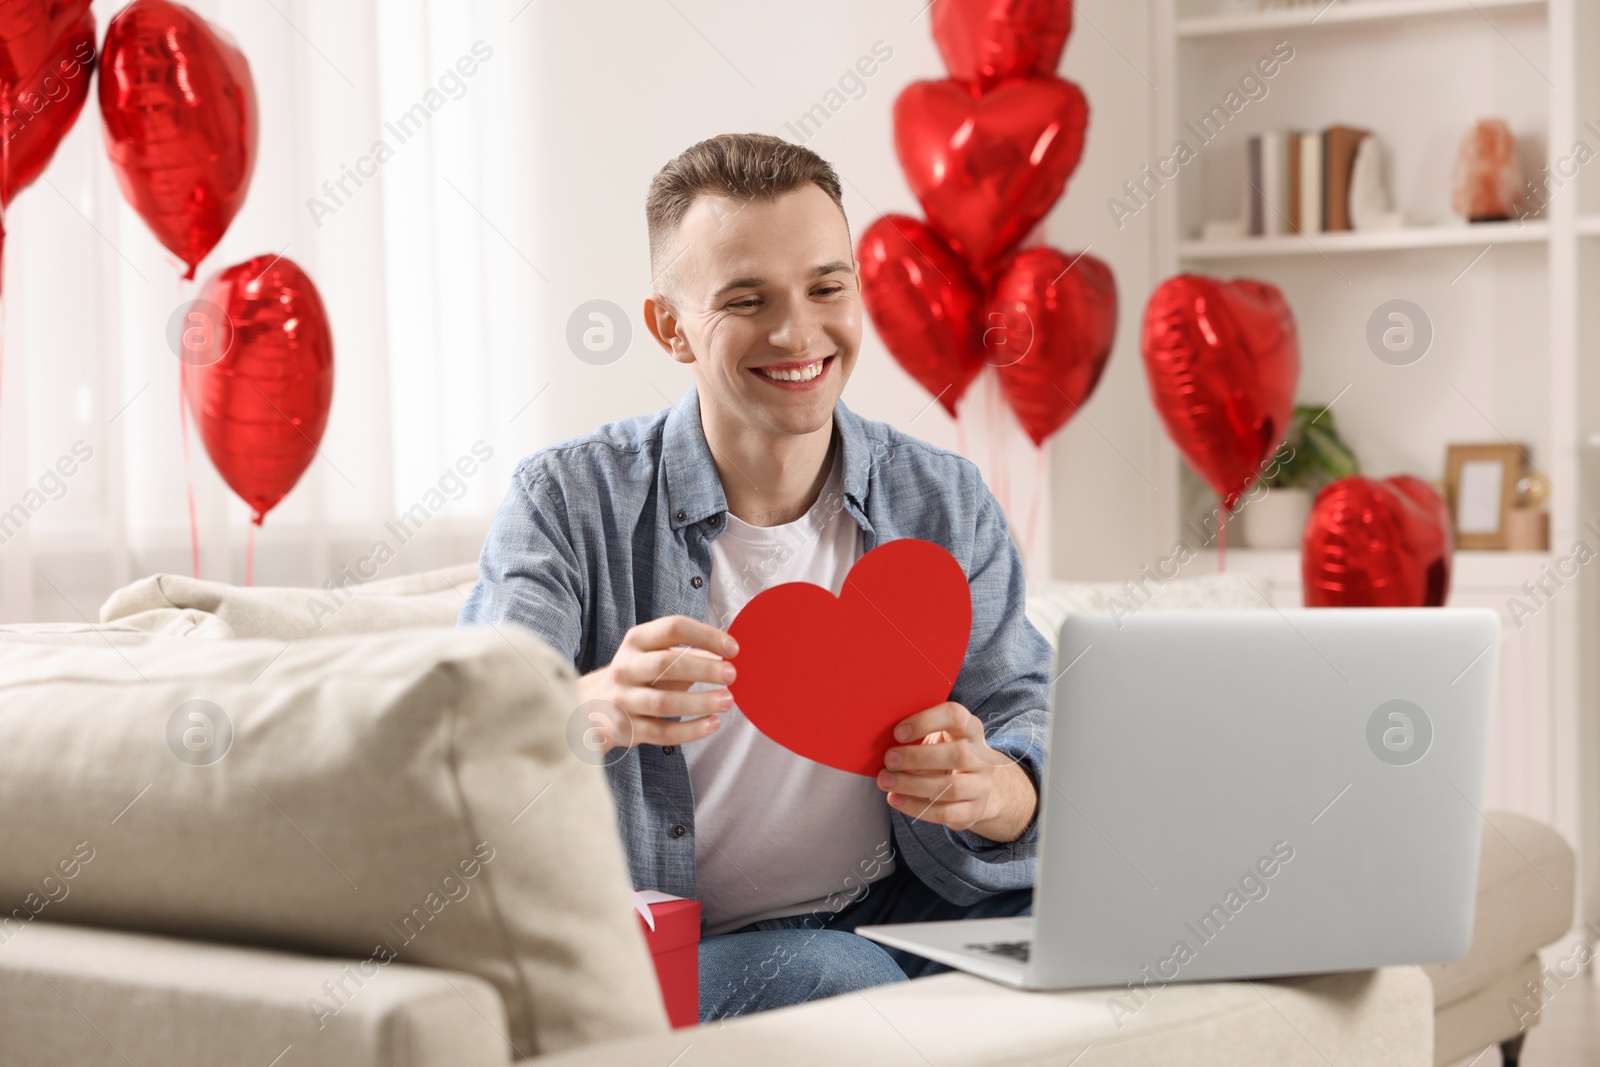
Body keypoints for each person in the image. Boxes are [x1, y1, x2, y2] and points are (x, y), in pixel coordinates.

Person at [458, 132, 1051, 1021]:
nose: (798, 332)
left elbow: (1025, 710)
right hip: (674, 950)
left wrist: (1002, 789)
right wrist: (599, 704)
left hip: (908, 908)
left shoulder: (943, 494)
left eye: (826, 287)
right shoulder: (568, 499)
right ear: (671, 327)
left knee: (1149, 914)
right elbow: (464, 733)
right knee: (834, 979)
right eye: (747, 299)